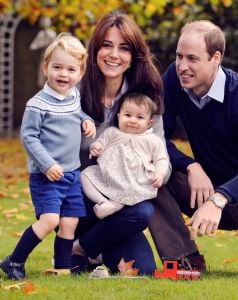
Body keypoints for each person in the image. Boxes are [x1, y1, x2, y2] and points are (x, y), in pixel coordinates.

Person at [149, 20, 238, 274]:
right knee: (148, 170)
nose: (182, 66)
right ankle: (185, 259)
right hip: (202, 189)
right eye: (179, 56)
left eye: (192, 58)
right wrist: (190, 165)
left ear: (215, 58)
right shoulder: (174, 78)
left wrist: (220, 198)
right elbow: (153, 137)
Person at [71, 11, 171, 276]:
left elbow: (160, 153)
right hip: (79, 198)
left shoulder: (145, 100)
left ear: (132, 57)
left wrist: (156, 174)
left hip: (122, 204)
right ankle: (86, 245)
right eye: (107, 45)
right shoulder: (75, 92)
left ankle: (83, 248)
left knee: (144, 264)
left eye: (123, 48)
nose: (114, 55)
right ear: (94, 51)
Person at [0, 33, 96, 280]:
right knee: (50, 219)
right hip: (47, 175)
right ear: (46, 68)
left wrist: (86, 120)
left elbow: (77, 113)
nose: (63, 74)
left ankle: (62, 268)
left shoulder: (73, 96)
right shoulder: (37, 104)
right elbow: (29, 137)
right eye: (57, 67)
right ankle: (14, 261)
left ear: (81, 73)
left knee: (69, 223)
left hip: (72, 174)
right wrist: (47, 164)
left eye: (71, 69)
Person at [81, 92, 170, 219]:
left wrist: (160, 173)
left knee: (128, 191)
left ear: (149, 123)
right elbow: (99, 144)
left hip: (133, 179)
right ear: (119, 117)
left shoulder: (152, 140)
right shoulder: (112, 133)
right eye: (127, 115)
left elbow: (161, 159)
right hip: (107, 175)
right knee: (85, 176)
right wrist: (96, 148)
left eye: (140, 117)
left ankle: (114, 205)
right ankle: (102, 202)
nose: (132, 120)